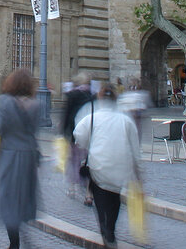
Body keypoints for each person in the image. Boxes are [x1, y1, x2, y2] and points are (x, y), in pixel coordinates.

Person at [73, 85, 142, 249]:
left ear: (100, 100)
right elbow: (134, 147)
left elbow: (79, 137)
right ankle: (110, 228)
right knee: (114, 200)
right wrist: (137, 172)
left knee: (101, 198)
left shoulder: (92, 117)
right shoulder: (125, 120)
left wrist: (86, 145)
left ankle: (106, 229)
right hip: (119, 167)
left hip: (99, 166)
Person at [0, 68, 41, 249]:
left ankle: (14, 243)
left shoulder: (4, 102)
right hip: (28, 157)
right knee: (24, 197)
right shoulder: (36, 105)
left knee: (9, 198)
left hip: (10, 156)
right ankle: (22, 229)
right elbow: (34, 131)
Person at [60, 72, 95, 203]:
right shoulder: (92, 95)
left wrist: (64, 132)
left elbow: (67, 114)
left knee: (73, 160)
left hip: (76, 133)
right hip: (90, 133)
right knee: (88, 161)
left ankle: (72, 187)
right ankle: (88, 193)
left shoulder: (72, 95)